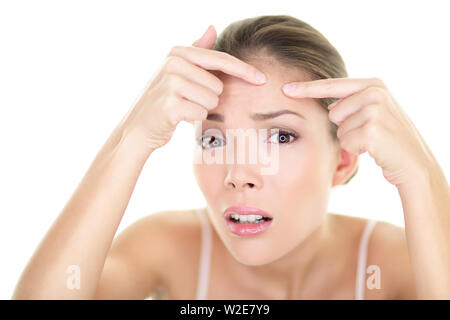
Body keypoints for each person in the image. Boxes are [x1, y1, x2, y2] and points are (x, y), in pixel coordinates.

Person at [12, 15, 450, 300]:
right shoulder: (168, 247)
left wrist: (421, 175)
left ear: (343, 160)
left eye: (280, 135)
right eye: (215, 139)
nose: (240, 174)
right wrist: (133, 139)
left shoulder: (392, 264)